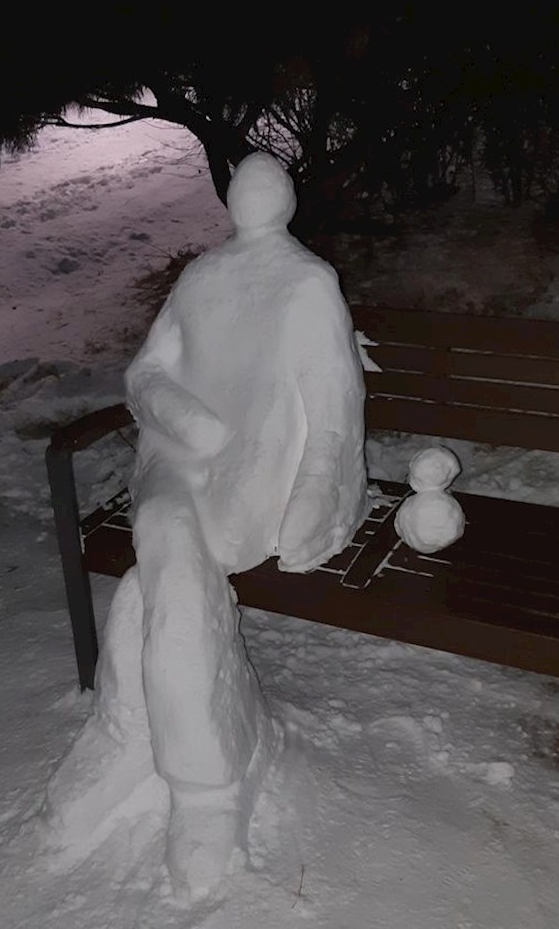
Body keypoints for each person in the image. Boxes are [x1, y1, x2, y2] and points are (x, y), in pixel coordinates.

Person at [46, 153, 368, 899]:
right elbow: (144, 372)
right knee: (167, 548)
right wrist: (183, 417)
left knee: (167, 565)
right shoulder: (202, 277)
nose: (251, 195)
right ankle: (199, 772)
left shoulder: (307, 283)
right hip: (177, 460)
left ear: (279, 201)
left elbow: (334, 406)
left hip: (257, 477)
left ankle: (146, 741)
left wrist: (316, 497)